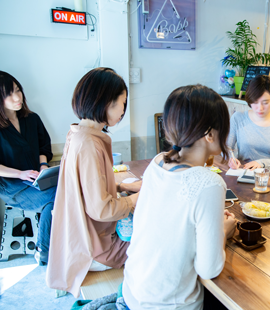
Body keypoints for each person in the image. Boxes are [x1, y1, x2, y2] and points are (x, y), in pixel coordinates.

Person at [123, 85, 237, 310]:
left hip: (132, 292)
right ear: (210, 134)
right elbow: (209, 268)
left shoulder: (157, 162)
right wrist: (223, 230)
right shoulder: (210, 183)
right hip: (168, 305)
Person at [46, 68, 141, 297]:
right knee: (159, 240)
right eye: (122, 103)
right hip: (94, 250)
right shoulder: (89, 144)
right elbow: (102, 209)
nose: (123, 111)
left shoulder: (78, 133)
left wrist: (122, 187)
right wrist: (137, 198)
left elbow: (84, 187)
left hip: (78, 239)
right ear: (105, 102)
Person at [0, 71, 55, 265]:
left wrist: (42, 165)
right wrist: (20, 174)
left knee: (67, 190)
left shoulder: (31, 119)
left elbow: (43, 146)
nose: (17, 97)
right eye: (9, 94)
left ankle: (45, 250)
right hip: (11, 186)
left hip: (37, 178)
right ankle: (46, 249)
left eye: (17, 90)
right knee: (56, 199)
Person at [227, 75, 270, 178]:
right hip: (245, 174)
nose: (260, 108)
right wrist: (231, 159)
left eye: (265, 102)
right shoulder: (238, 118)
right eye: (255, 102)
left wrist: (261, 163)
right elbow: (228, 147)